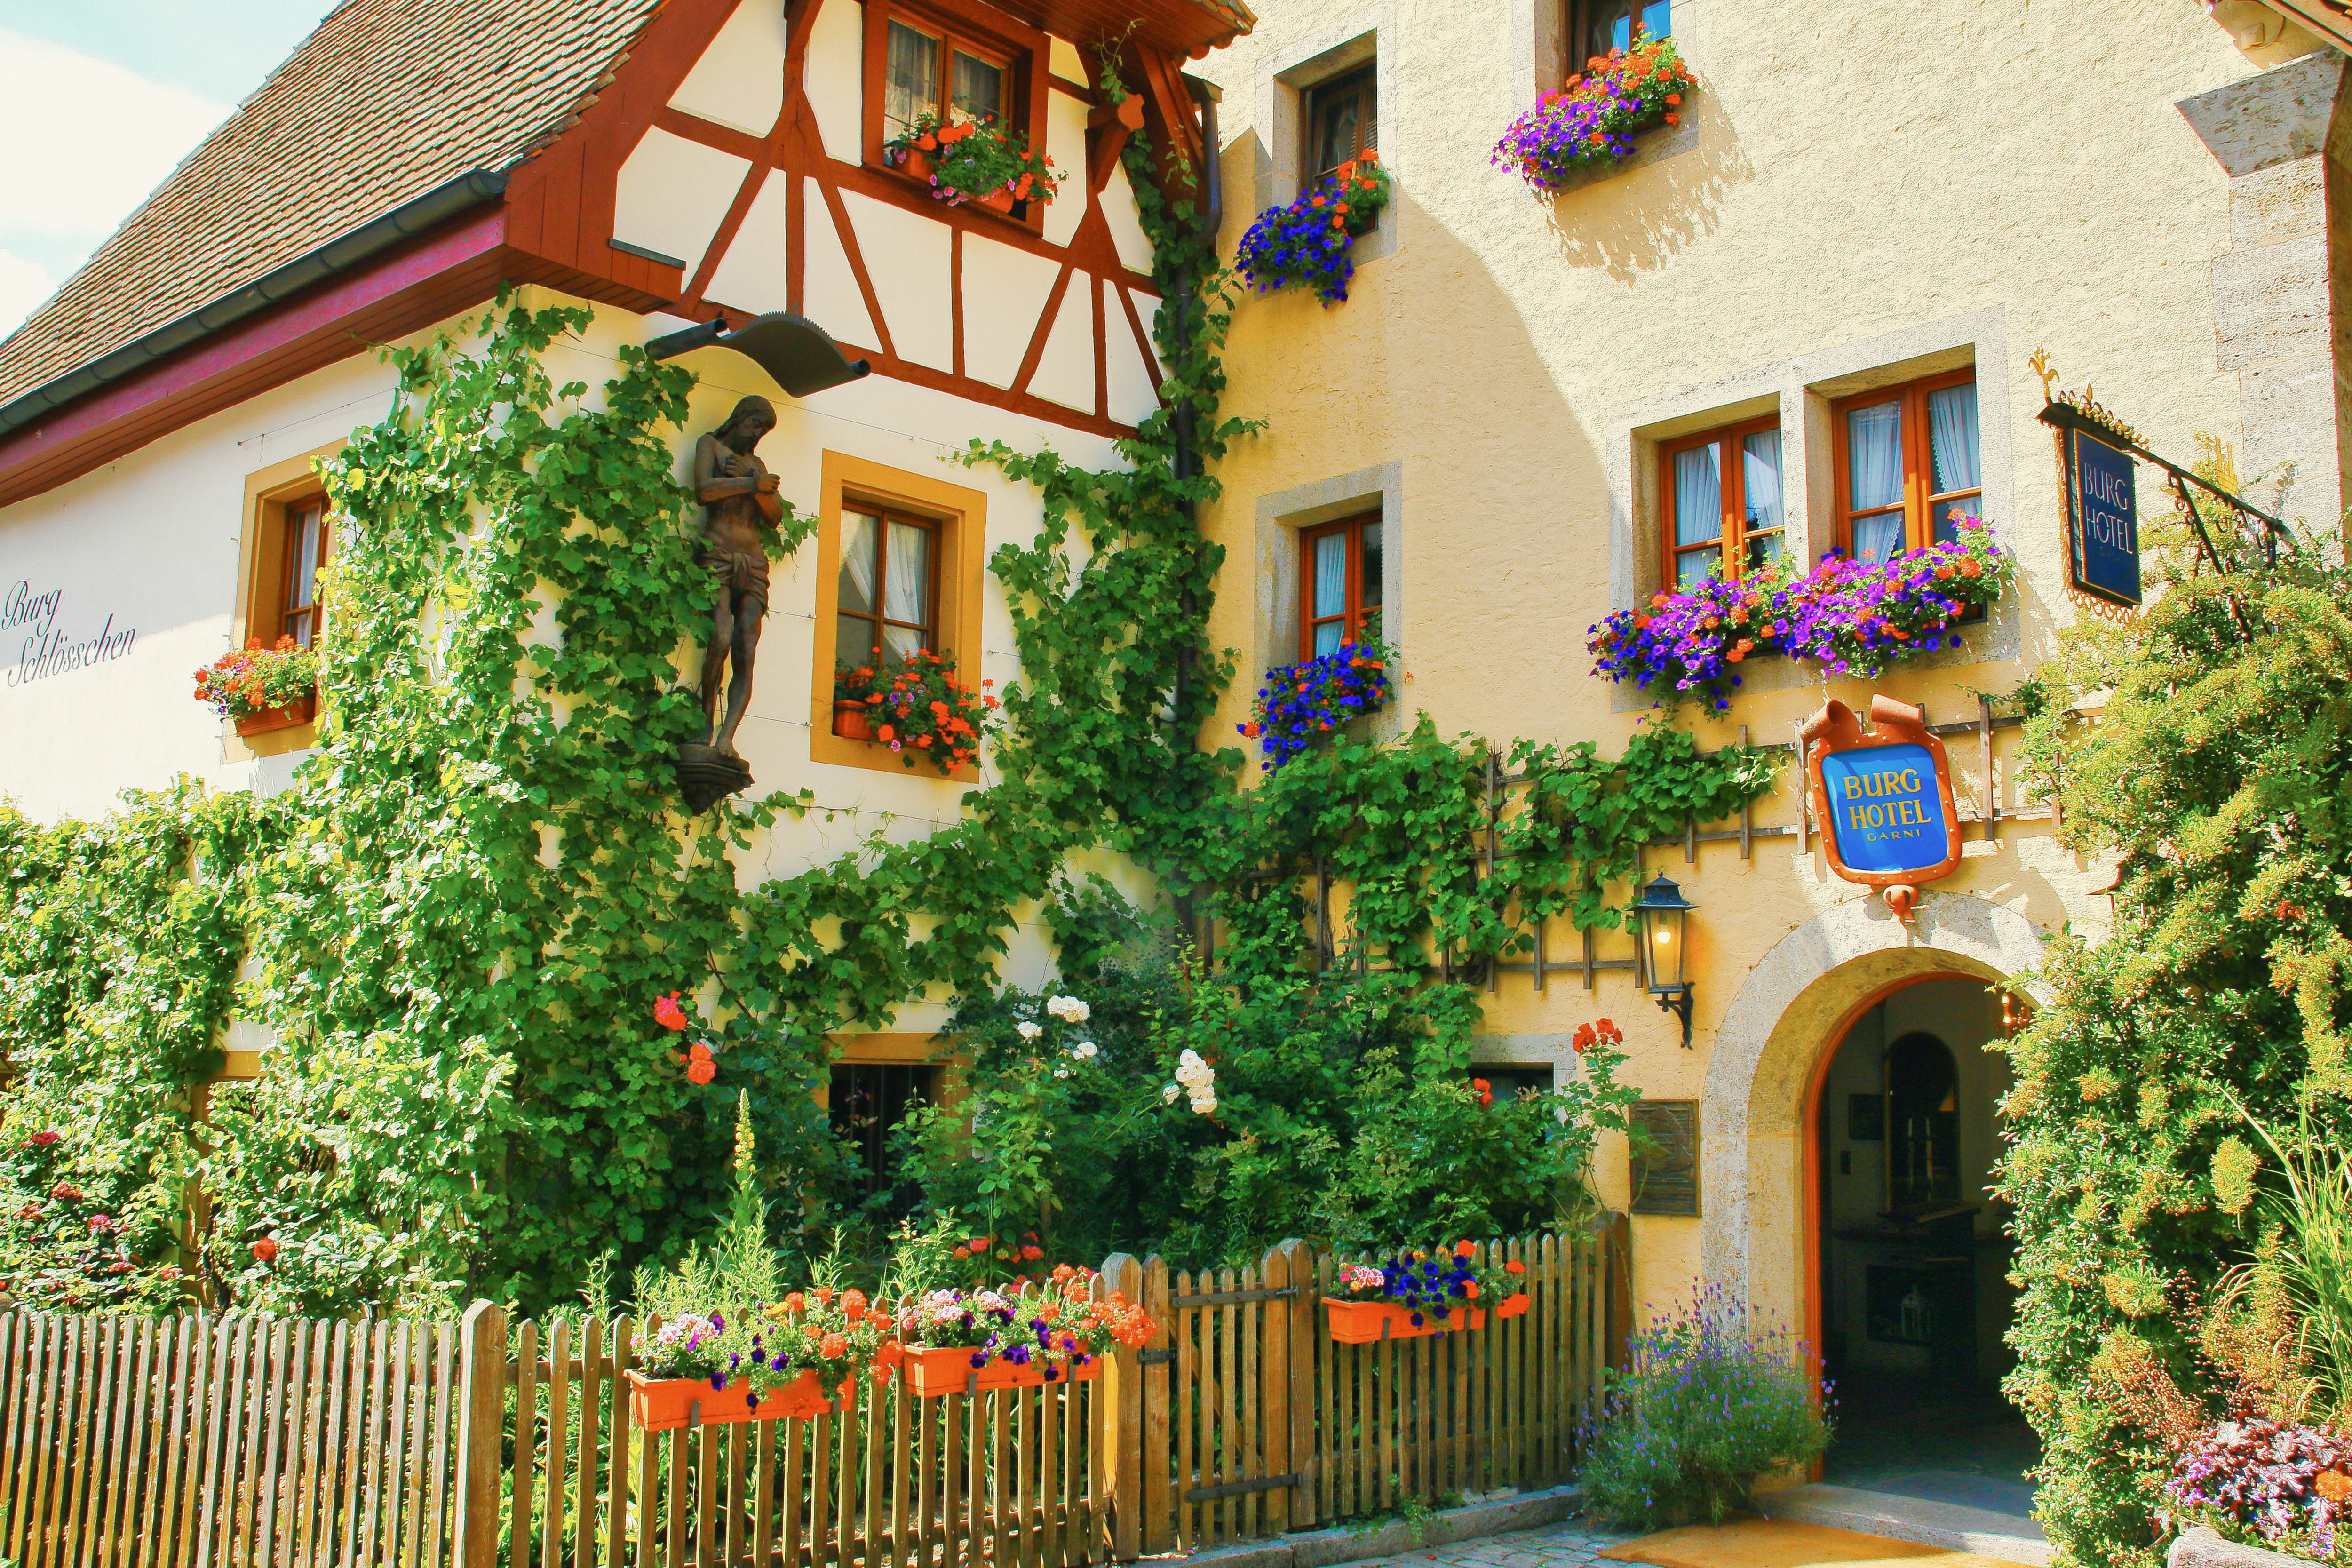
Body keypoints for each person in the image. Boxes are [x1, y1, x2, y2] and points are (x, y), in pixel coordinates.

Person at [691, 396, 783, 756]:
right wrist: (751, 485)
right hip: (717, 555)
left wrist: (751, 482)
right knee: (722, 637)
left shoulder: (754, 465)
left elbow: (774, 515)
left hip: (754, 562)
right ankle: (704, 723)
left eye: (763, 429)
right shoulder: (710, 446)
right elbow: (705, 491)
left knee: (746, 646)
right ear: (739, 418)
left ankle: (727, 737)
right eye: (755, 424)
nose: (757, 434)